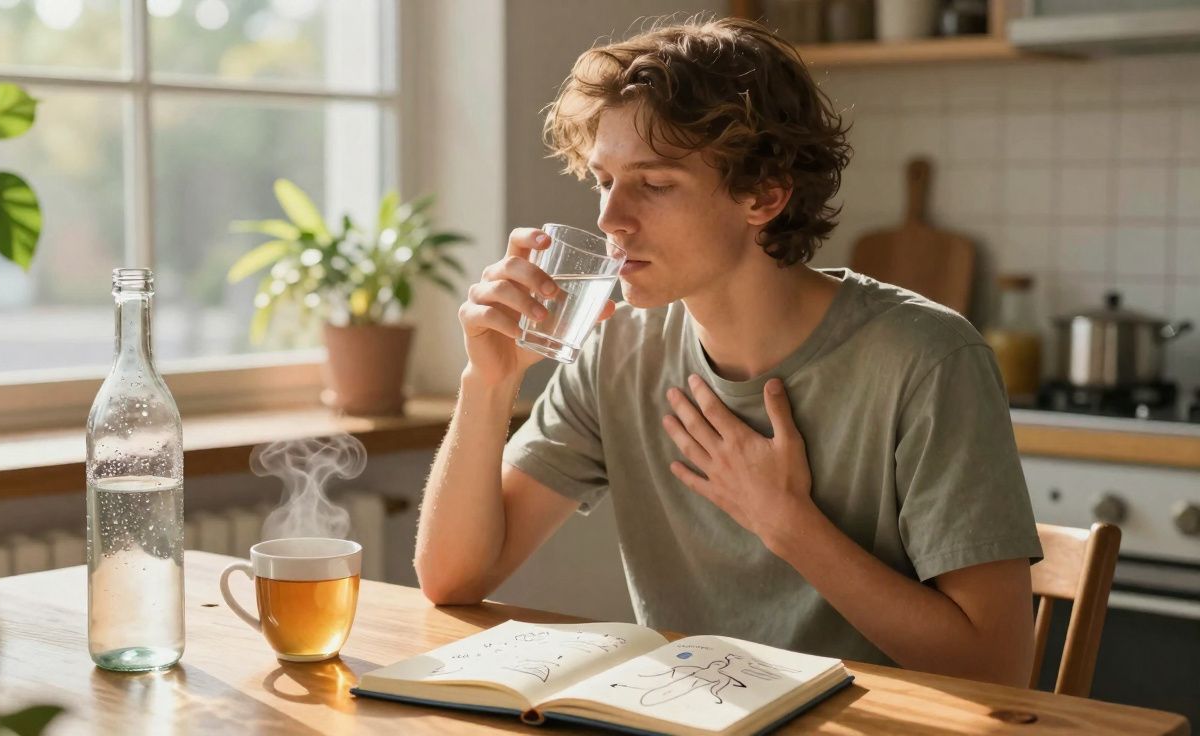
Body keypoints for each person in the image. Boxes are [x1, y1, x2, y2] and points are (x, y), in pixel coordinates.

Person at [414, 15, 1042, 687]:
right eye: (603, 180)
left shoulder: (928, 359)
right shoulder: (616, 351)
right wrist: (487, 382)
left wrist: (787, 524)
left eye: (655, 184)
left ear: (764, 195)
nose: (609, 219)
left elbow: (996, 668)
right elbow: (453, 579)